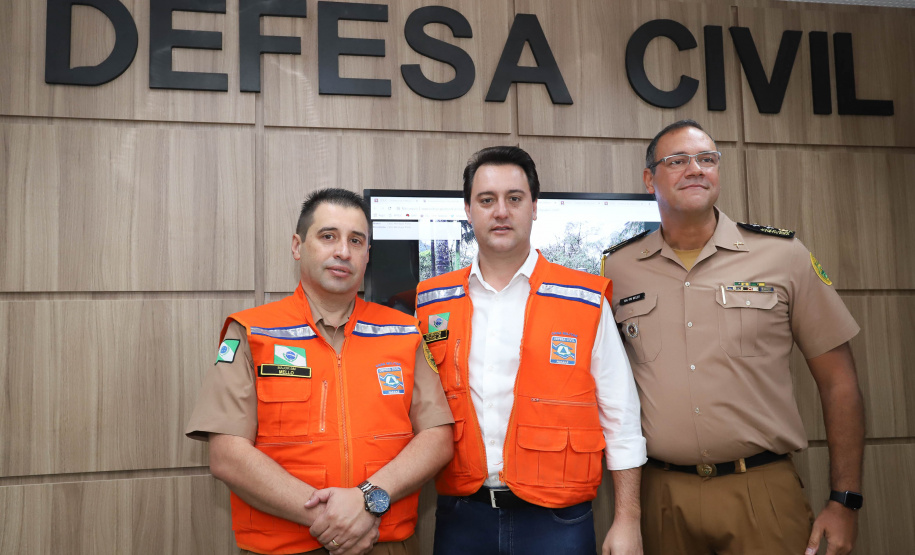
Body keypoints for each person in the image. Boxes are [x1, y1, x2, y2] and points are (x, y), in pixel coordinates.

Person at [602, 120, 865, 555]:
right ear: (650, 178)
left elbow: (840, 383)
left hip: (761, 492)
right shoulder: (617, 269)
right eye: (678, 161)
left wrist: (845, 501)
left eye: (707, 159)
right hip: (661, 497)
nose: (695, 169)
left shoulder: (783, 255)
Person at [185, 188, 454, 555]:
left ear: (367, 255)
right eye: (328, 236)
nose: (343, 251)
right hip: (285, 546)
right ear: (298, 246)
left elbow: (437, 437)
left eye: (356, 241)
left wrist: (366, 499)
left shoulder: (404, 331)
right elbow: (228, 455)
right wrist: (333, 518)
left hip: (385, 543)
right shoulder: (252, 332)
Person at [416, 146, 647, 555]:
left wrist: (627, 519)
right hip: (460, 519)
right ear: (468, 211)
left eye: (514, 198)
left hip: (557, 522)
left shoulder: (584, 300)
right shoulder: (430, 302)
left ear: (535, 207)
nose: (501, 211)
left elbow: (622, 417)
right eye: (486, 200)